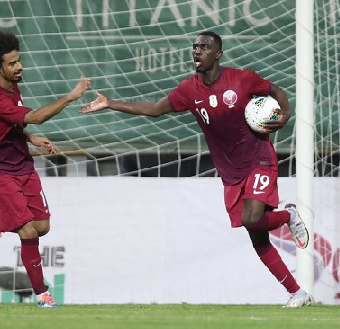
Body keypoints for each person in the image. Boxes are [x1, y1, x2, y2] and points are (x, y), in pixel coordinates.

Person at [79, 31, 313, 308]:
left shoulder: (242, 79)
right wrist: (110, 103)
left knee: (252, 218)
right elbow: (154, 109)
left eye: (204, 47)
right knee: (257, 237)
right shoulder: (189, 90)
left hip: (259, 160)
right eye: (195, 46)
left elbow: (276, 92)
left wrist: (284, 115)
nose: (196, 51)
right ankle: (297, 292)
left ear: (218, 54)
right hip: (230, 172)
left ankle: (288, 215)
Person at [0, 30, 91, 308]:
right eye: (12, 63)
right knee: (28, 232)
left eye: (19, 60)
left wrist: (30, 138)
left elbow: (11, 125)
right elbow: (34, 117)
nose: (19, 66)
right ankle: (42, 295)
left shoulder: (13, 87)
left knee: (42, 227)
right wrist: (71, 96)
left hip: (23, 164)